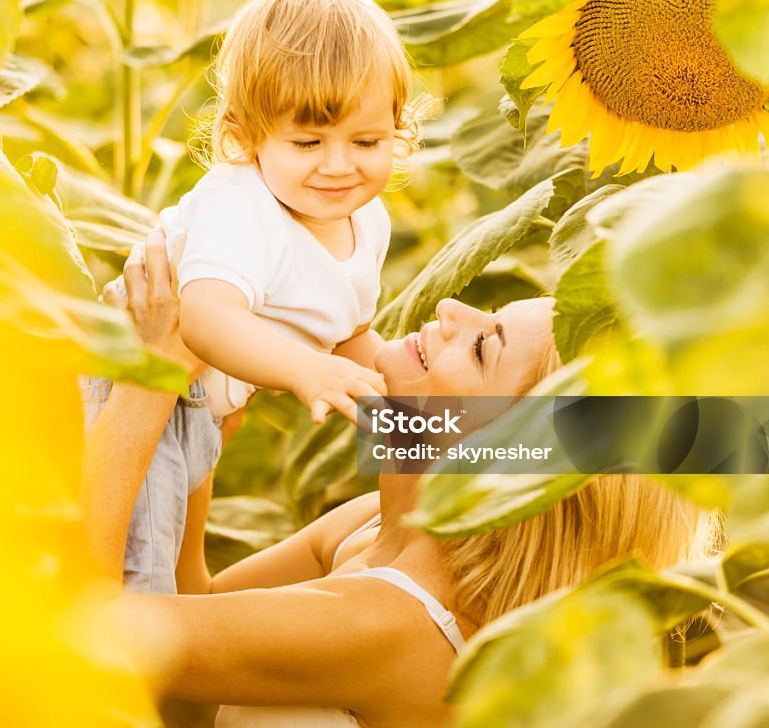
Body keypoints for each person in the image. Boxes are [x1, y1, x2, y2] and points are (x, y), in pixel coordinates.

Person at [99, 245, 714, 727]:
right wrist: (204, 412)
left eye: (481, 348)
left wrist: (148, 377)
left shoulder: (391, 622)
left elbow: (85, 631)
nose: (452, 312)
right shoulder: (373, 525)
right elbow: (194, 621)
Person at [83, 0, 421, 593]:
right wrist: (303, 371)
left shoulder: (364, 218)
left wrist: (407, 406)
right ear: (244, 136)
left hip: (201, 409)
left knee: (182, 579)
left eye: (367, 141)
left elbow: (347, 334)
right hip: (131, 397)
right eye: (308, 142)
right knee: (137, 583)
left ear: (398, 127)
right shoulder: (241, 207)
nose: (340, 165)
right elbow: (205, 319)